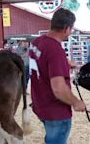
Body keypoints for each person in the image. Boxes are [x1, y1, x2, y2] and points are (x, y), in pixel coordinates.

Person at [29, 8, 86, 144]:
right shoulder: (56, 51)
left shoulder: (36, 42)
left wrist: (65, 63)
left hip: (40, 104)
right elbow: (59, 89)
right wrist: (76, 102)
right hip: (56, 112)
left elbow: (43, 61)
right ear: (66, 29)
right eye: (71, 29)